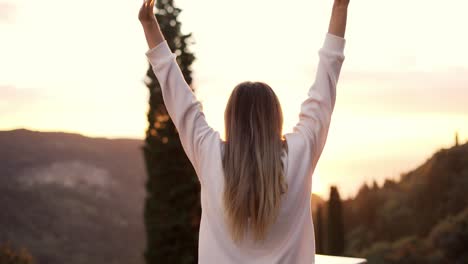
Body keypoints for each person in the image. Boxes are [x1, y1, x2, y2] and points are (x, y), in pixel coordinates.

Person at [138, 0, 349, 262]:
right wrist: (340, 8)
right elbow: (327, 77)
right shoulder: (300, 151)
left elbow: (179, 96)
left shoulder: (209, 154)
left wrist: (149, 24)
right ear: (276, 117)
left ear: (231, 120)